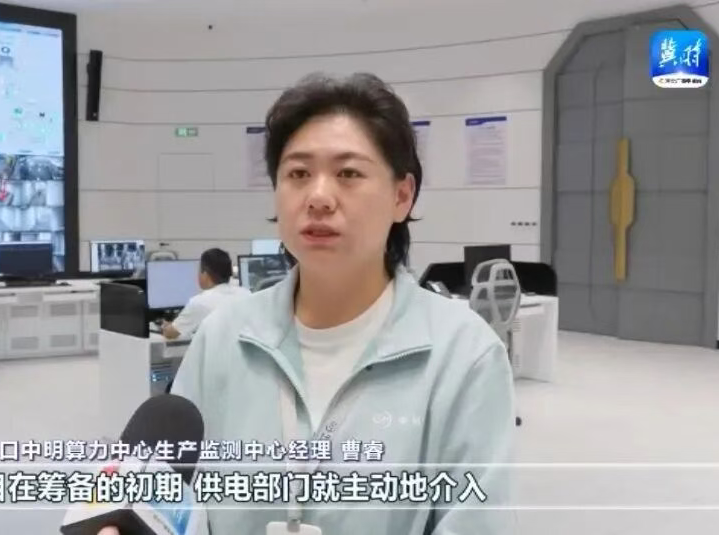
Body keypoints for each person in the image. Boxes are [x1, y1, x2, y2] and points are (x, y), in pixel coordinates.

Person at [100, 73, 516, 535]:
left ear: (402, 196)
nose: (318, 197)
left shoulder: (464, 355)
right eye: (298, 174)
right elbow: (168, 501)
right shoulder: (222, 338)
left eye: (349, 173)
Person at [160, 248, 250, 340]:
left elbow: (171, 334)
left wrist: (166, 327)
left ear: (205, 274)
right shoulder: (246, 294)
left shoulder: (199, 302)